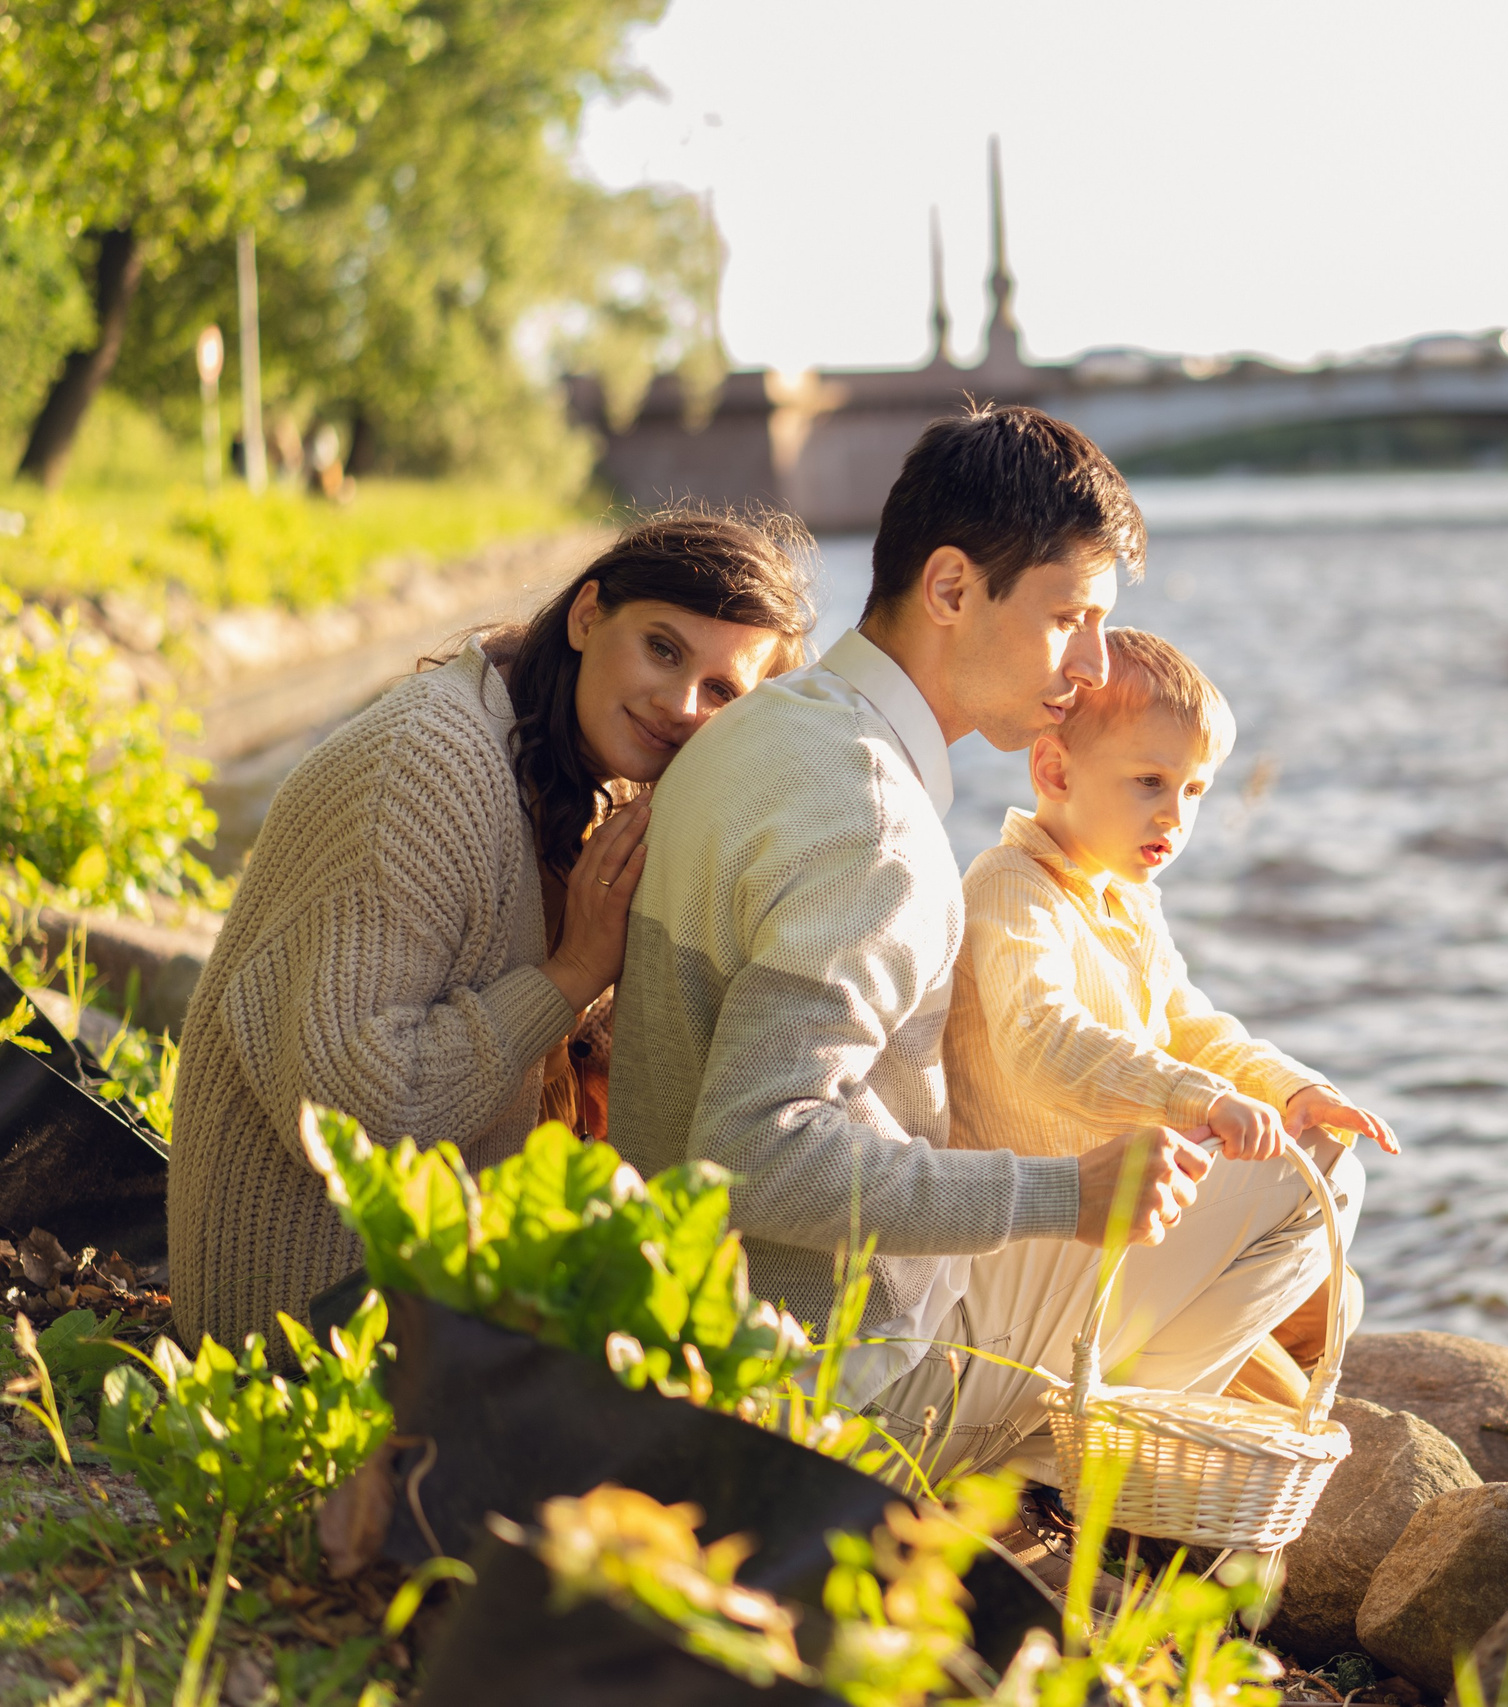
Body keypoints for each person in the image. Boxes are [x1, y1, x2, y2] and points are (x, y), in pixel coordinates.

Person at [611, 405, 1360, 1487]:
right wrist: (1062, 1196)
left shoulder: (768, 728)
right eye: (1070, 618)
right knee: (1315, 1173)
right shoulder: (875, 826)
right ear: (953, 589)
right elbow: (755, 1153)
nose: (1094, 668)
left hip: (697, 1325)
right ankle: (1071, 1479)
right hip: (834, 1385)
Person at [167, 512, 815, 1351]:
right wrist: (573, 973)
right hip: (309, 1312)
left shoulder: (579, 769)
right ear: (588, 615)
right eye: (662, 647)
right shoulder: (428, 765)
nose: (680, 703)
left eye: (722, 690)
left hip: (424, 1276)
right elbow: (359, 1104)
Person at [944, 627, 1394, 1406]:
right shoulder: (1013, 886)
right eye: (1149, 781)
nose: (1174, 817)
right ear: (1053, 769)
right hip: (1035, 1235)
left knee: (1332, 1285)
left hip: (1114, 1233)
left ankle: (1139, 1409)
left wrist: (1292, 1090)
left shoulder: (1123, 897)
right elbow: (1042, 1040)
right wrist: (1202, 1100)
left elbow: (1191, 1023)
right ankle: (1091, 1435)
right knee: (1317, 1171)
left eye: (1193, 790)